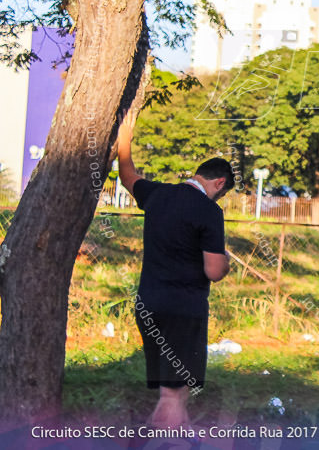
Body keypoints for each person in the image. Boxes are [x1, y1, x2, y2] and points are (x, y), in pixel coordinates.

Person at [116, 112, 232, 429]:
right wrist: (226, 260)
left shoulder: (157, 194)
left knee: (174, 392)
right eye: (221, 192)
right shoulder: (209, 211)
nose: (219, 197)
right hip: (183, 309)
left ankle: (176, 436)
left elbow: (128, 177)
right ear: (219, 183)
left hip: (149, 303)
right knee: (172, 394)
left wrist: (124, 142)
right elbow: (213, 270)